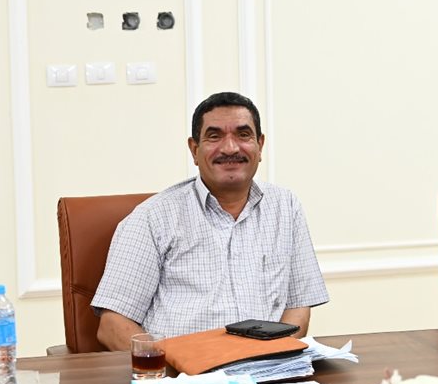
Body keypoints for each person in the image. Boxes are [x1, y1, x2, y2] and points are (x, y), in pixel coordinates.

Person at [92, 91, 329, 351]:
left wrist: (273, 358)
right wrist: (175, 365)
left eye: (243, 134)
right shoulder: (152, 217)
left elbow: (298, 306)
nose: (230, 148)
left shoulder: (286, 206)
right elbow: (113, 325)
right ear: (194, 150)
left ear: (260, 145)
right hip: (181, 370)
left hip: (268, 367)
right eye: (214, 136)